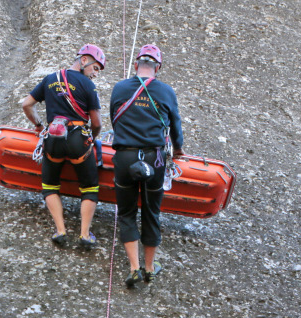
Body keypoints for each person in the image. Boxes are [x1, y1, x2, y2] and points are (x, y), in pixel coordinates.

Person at [109, 44, 184, 288]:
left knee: (127, 212)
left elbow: (114, 118)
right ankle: (150, 268)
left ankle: (133, 268)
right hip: (155, 158)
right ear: (158, 67)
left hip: (125, 157)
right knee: (151, 212)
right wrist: (179, 149)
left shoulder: (120, 88)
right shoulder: (166, 91)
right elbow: (175, 127)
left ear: (136, 65)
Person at [20, 44, 105, 249]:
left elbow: (26, 104)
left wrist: (39, 126)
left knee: (49, 185)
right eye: (95, 68)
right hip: (77, 139)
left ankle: (60, 230)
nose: (95, 74)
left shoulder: (50, 79)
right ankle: (84, 234)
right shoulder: (87, 85)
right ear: (84, 60)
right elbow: (97, 123)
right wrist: (90, 139)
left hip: (53, 138)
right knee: (90, 188)